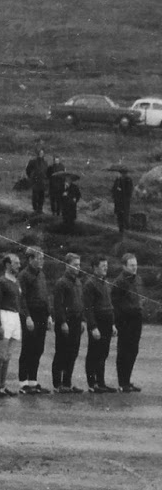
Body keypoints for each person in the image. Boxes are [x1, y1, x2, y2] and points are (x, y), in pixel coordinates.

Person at [0, 253, 24, 398]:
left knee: (8, 354)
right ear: (8, 265)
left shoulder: (16, 281)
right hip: (4, 315)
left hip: (15, 316)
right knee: (0, 353)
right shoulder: (1, 282)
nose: (19, 265)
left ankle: (3, 385)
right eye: (16, 263)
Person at [17, 246, 52, 394]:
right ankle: (23, 383)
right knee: (28, 348)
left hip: (42, 314)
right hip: (30, 315)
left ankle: (33, 381)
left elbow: (45, 296)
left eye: (43, 258)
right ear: (30, 259)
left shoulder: (41, 274)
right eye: (38, 258)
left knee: (38, 348)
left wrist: (49, 315)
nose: (41, 260)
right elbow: (22, 298)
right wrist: (27, 317)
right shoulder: (24, 275)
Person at [50, 252, 84, 393]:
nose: (77, 267)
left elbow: (80, 303)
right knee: (62, 352)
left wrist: (82, 320)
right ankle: (58, 384)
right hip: (65, 321)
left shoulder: (77, 282)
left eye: (78, 265)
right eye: (75, 264)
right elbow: (58, 305)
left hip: (76, 320)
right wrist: (63, 322)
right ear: (67, 265)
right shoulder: (61, 283)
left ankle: (67, 383)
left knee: (73, 353)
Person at [82, 255, 116, 393]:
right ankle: (92, 383)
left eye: (106, 266)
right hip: (97, 323)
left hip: (107, 322)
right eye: (103, 266)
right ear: (95, 268)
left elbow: (109, 305)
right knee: (94, 353)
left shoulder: (105, 283)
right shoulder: (90, 284)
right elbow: (88, 308)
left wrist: (113, 324)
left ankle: (101, 382)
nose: (105, 269)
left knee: (103, 353)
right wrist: (93, 327)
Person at [111, 252, 143, 393]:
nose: (134, 268)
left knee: (133, 350)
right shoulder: (119, 282)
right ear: (124, 266)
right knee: (124, 351)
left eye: (135, 265)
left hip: (137, 318)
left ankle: (127, 381)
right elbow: (115, 303)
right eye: (131, 265)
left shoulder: (138, 279)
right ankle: (122, 382)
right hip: (124, 319)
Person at [25, 149, 50, 214]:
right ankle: (35, 209)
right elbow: (28, 170)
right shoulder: (33, 162)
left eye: (42, 153)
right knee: (35, 195)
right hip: (35, 181)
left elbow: (47, 172)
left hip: (43, 181)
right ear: (38, 154)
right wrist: (31, 177)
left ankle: (40, 209)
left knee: (42, 196)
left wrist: (46, 179)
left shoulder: (45, 162)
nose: (41, 154)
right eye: (40, 153)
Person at [111, 167, 134, 235]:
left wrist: (125, 197)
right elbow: (114, 188)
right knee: (119, 214)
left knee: (125, 214)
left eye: (124, 173)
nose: (123, 174)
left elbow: (129, 191)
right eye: (122, 173)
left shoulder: (128, 180)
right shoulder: (118, 180)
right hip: (118, 200)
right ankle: (121, 229)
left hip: (124, 200)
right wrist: (114, 195)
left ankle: (127, 228)